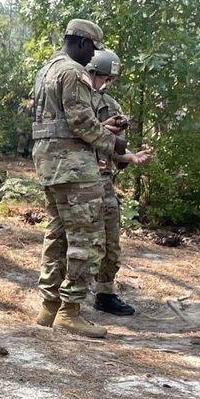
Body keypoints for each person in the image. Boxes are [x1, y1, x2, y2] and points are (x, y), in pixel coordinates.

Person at [31, 19, 141, 338]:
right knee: (86, 237)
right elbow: (81, 122)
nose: (93, 56)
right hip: (74, 167)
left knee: (57, 235)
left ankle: (48, 307)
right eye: (92, 47)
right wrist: (115, 144)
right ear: (80, 42)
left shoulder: (46, 70)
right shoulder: (73, 72)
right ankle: (71, 310)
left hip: (50, 165)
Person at [86, 49, 151, 316]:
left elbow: (115, 148)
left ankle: (105, 292)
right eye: (104, 78)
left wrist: (131, 157)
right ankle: (65, 297)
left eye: (111, 80)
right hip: (77, 180)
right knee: (76, 240)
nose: (107, 84)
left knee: (111, 239)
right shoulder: (73, 98)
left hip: (103, 182)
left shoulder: (112, 106)